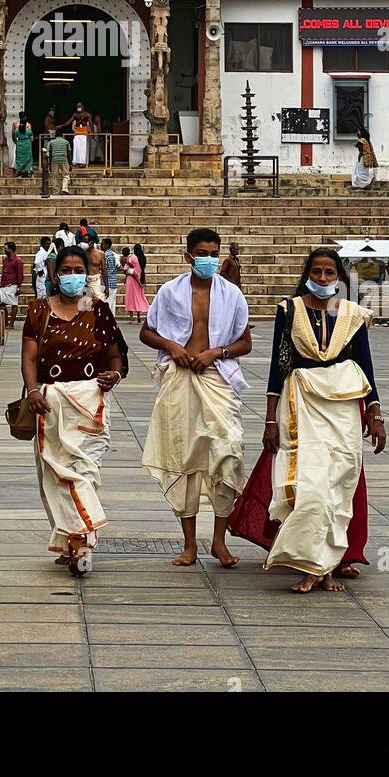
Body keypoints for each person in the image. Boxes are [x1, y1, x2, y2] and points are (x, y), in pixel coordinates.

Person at [261, 248, 385, 592]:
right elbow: (277, 367)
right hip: (301, 404)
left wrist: (376, 415)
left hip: (344, 409)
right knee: (308, 485)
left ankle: (327, 566)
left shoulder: (352, 315)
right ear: (307, 274)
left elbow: (366, 365)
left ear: (339, 279)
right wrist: (270, 421)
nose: (322, 279)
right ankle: (311, 561)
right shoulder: (289, 310)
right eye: (316, 272)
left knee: (338, 486)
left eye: (329, 273)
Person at [141, 227, 252, 568]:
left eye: (213, 253)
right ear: (188, 256)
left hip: (217, 379)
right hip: (180, 380)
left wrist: (215, 353)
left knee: (228, 452)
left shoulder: (231, 293)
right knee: (183, 459)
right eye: (202, 253)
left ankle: (219, 540)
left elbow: (244, 342)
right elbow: (146, 332)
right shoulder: (170, 292)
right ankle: (189, 544)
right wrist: (171, 346)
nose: (208, 259)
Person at [21, 245, 126, 576]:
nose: (71, 276)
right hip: (50, 402)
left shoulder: (97, 310)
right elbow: (29, 357)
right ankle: (73, 541)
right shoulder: (39, 310)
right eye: (65, 270)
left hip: (89, 401)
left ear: (87, 273)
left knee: (83, 472)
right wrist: (33, 389)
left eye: (76, 269)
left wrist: (115, 374)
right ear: (55, 275)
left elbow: (114, 356)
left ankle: (81, 539)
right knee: (53, 475)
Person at [0, 241, 24, 328]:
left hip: (12, 284)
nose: (4, 250)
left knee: (14, 304)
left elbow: (20, 274)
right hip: (4, 284)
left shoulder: (18, 261)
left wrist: (19, 287)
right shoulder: (5, 260)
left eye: (6, 248)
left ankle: (11, 324)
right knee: (1, 304)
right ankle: (5, 323)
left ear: (11, 249)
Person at [122, 246, 149, 321]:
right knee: (139, 297)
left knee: (130, 297)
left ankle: (131, 318)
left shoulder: (132, 257)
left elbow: (125, 268)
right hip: (140, 279)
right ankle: (138, 315)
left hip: (131, 279)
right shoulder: (143, 258)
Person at [47, 130, 71, 195]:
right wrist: (70, 163)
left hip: (54, 160)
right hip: (64, 160)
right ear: (62, 136)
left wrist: (49, 165)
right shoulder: (66, 142)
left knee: (55, 176)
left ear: (55, 136)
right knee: (66, 175)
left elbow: (50, 154)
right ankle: (65, 189)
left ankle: (56, 191)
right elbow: (69, 153)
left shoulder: (52, 142)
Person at [12, 111, 35, 177]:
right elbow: (32, 138)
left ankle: (18, 170)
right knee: (28, 157)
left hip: (19, 143)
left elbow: (13, 136)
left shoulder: (15, 124)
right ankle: (29, 170)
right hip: (27, 144)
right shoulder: (28, 125)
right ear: (26, 117)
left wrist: (17, 142)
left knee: (19, 158)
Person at [103, 237, 121, 315]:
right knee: (112, 302)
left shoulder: (106, 255)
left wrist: (106, 286)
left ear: (107, 245)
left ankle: (107, 321)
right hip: (113, 281)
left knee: (107, 303)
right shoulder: (114, 255)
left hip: (108, 282)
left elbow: (105, 270)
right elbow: (119, 267)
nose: (101, 246)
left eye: (102, 244)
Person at [33, 236, 52, 300]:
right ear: (42, 244)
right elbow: (37, 262)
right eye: (47, 244)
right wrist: (40, 270)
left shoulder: (46, 252)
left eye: (49, 243)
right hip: (42, 276)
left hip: (45, 276)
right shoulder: (41, 252)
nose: (48, 245)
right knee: (41, 295)